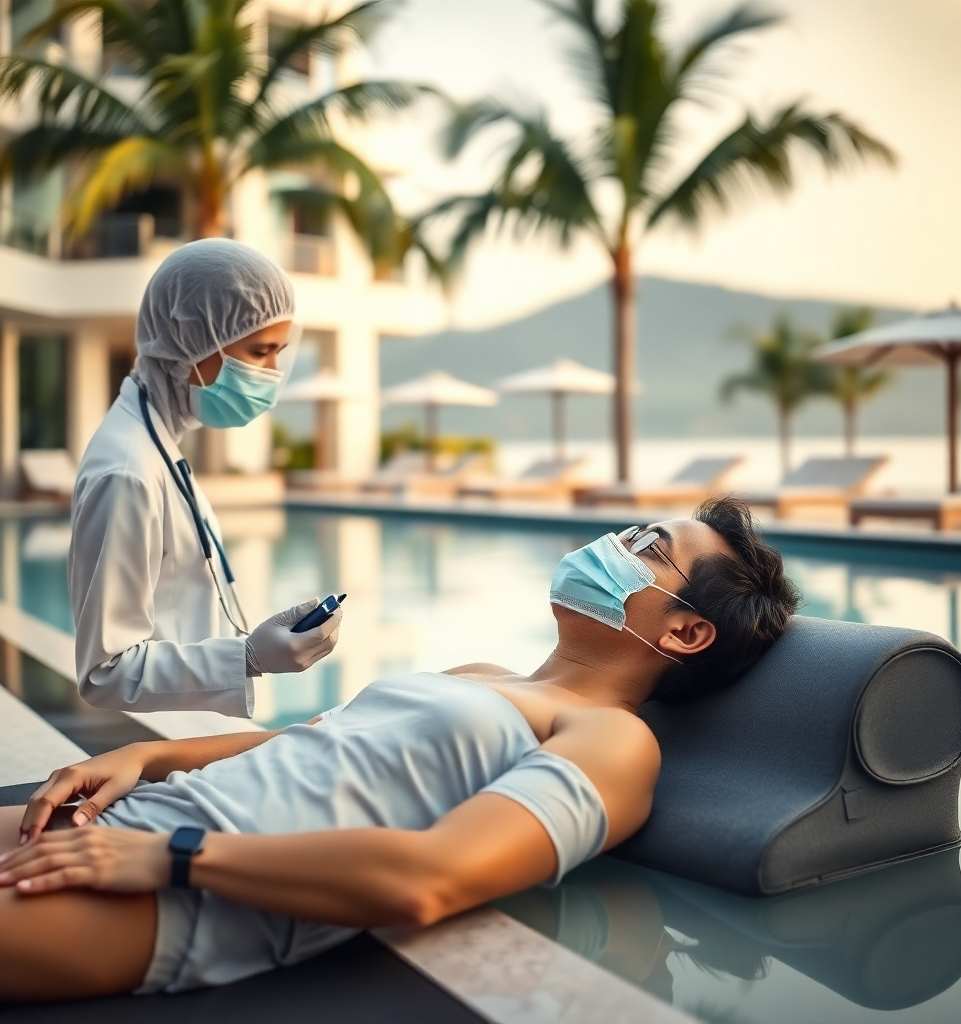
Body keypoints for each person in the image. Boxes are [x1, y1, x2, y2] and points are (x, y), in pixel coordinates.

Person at [0, 499, 799, 1002]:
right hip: (144, 818)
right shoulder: (486, 675)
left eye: (648, 548)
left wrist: (174, 858)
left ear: (686, 630)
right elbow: (306, 741)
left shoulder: (613, 741)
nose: (611, 546)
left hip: (186, 892)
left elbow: (430, 877)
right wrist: (146, 760)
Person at [69, 239, 343, 718]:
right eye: (259, 352)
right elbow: (105, 672)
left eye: (279, 353)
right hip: (156, 749)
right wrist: (249, 659)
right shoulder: (127, 472)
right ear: (188, 341)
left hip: (189, 734)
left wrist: (258, 646)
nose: (273, 375)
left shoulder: (160, 441)